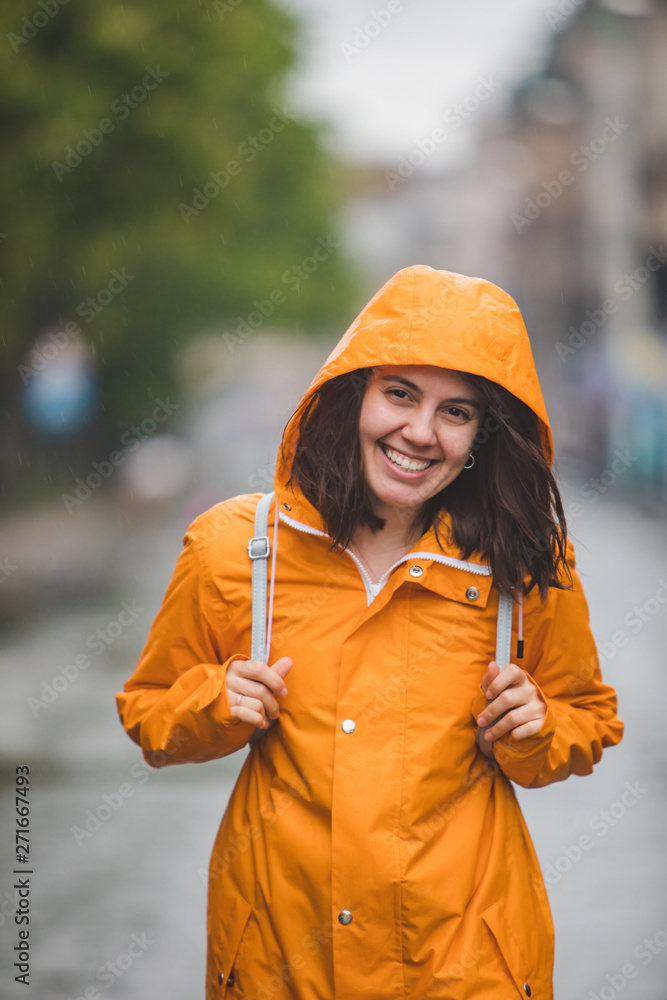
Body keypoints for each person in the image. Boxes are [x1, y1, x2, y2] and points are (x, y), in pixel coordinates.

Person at [116, 265, 623, 1000]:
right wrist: (214, 703)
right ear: (354, 395)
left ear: (483, 434)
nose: (419, 433)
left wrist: (536, 730)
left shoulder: (523, 565)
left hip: (464, 966)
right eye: (399, 394)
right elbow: (149, 715)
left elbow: (588, 720)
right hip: (279, 965)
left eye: (457, 412)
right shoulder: (236, 547)